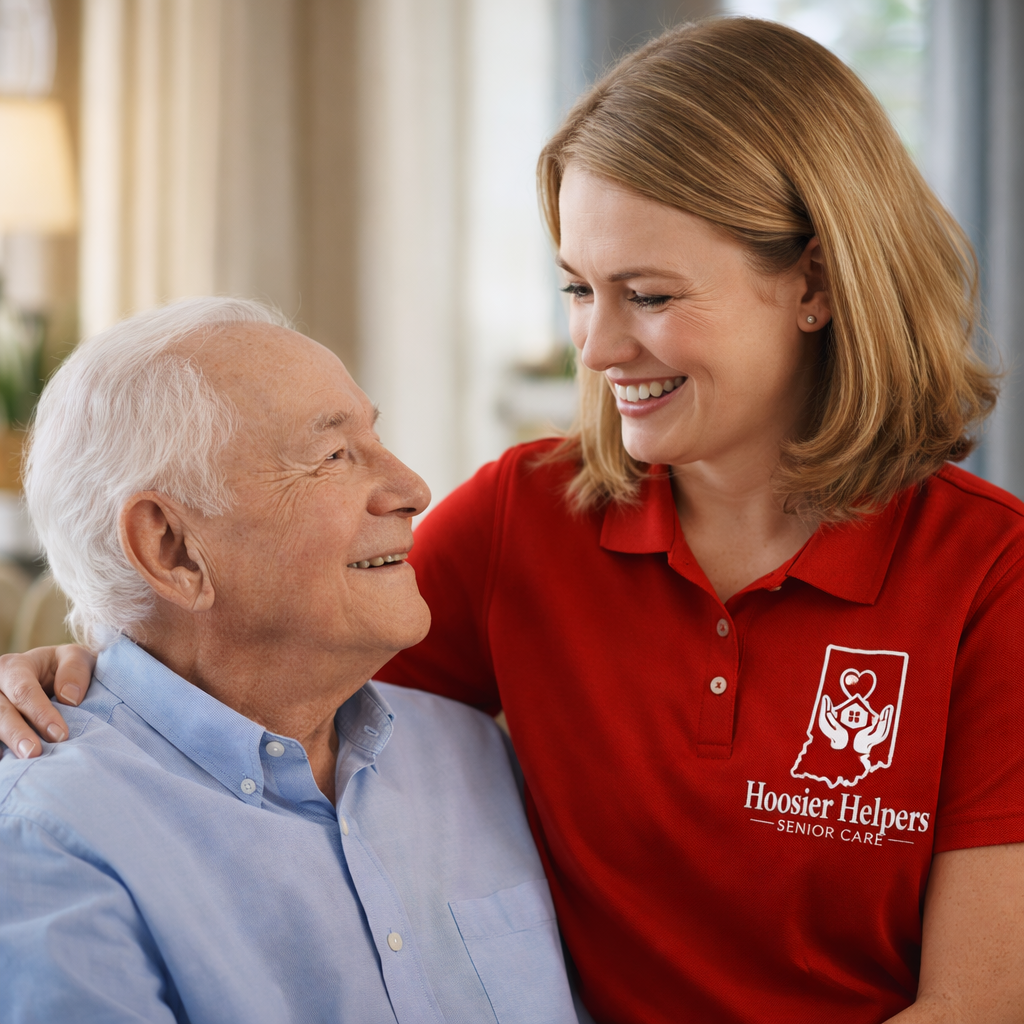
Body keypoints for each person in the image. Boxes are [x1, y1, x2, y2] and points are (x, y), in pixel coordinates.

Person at [2, 17, 1023, 1024]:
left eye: (648, 295)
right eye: (578, 288)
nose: (596, 346)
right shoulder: (524, 521)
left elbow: (981, 999)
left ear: (814, 284)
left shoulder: (989, 572)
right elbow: (263, 659)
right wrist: (86, 666)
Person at [0, 298, 578, 1024]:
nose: (413, 491)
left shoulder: (473, 755)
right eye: (333, 457)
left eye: (375, 438)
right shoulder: (50, 839)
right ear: (171, 549)